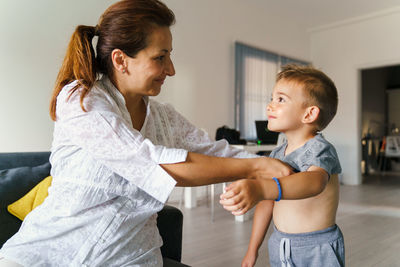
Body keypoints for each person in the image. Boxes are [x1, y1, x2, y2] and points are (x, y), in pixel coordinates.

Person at [0, 0, 292, 266]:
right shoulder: (81, 100)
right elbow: (149, 161)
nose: (172, 69)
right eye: (160, 57)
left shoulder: (165, 118)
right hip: (48, 255)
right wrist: (255, 165)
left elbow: (216, 151)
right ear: (120, 60)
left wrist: (285, 162)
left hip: (132, 257)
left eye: (170, 56)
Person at [220, 64, 344, 267]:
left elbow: (314, 182)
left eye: (280, 99)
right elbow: (266, 202)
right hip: (280, 244)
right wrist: (252, 250)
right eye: (271, 98)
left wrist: (262, 187)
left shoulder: (320, 149)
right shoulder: (277, 154)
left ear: (309, 114)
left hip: (317, 249)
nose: (269, 105)